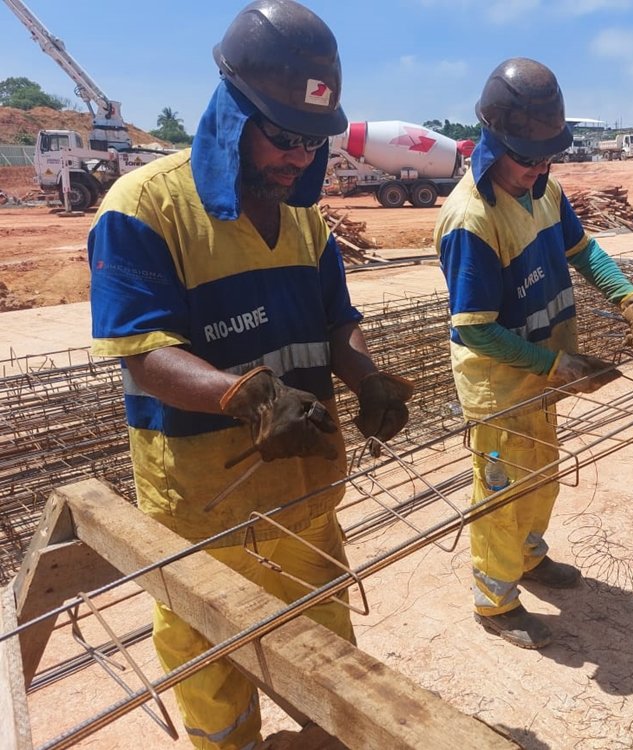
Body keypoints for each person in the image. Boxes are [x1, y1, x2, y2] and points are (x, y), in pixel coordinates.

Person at [87, 2, 413, 747]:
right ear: (233, 113)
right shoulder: (144, 208)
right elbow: (142, 351)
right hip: (208, 503)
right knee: (213, 658)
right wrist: (248, 396)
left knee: (326, 652)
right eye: (284, 136)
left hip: (306, 487)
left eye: (312, 140)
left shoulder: (305, 220)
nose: (299, 157)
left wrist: (365, 376)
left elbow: (336, 320)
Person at [433, 58, 633, 650]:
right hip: (499, 384)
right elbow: (475, 330)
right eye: (527, 157)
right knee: (501, 496)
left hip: (542, 371)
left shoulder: (545, 190)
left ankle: (530, 559)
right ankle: (495, 601)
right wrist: (557, 366)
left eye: (546, 157)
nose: (538, 168)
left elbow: (583, 250)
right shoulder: (471, 220)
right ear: (493, 141)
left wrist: (627, 297)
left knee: (541, 476)